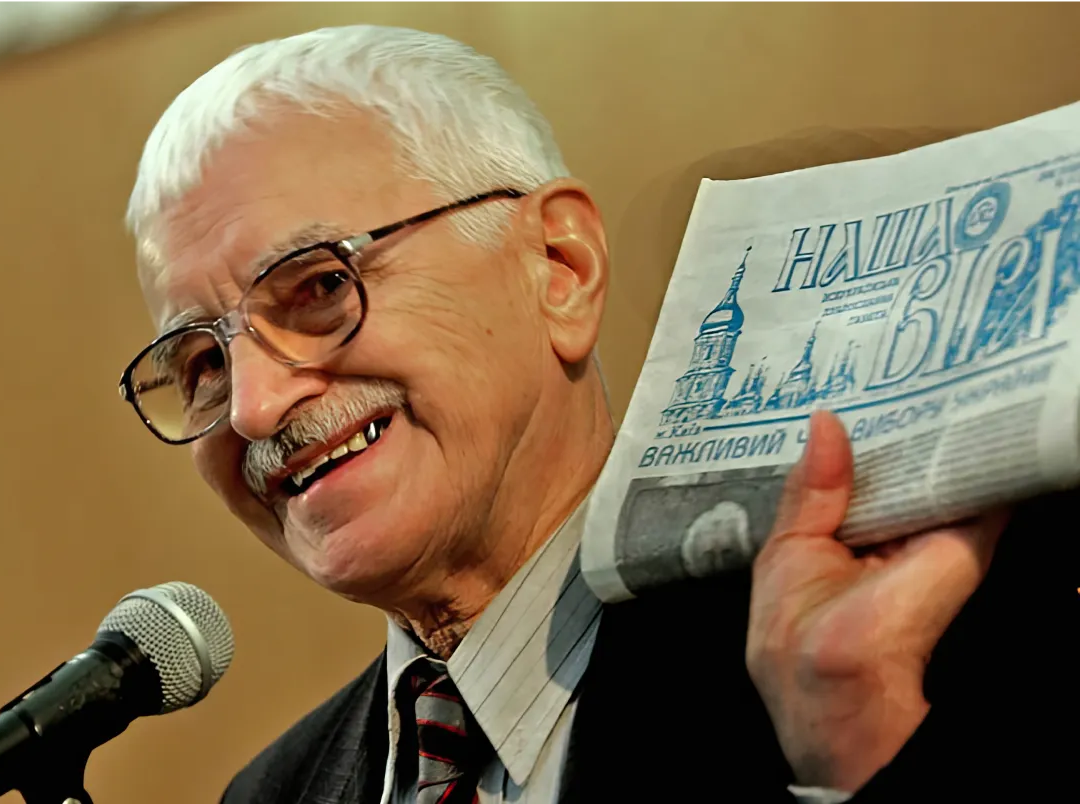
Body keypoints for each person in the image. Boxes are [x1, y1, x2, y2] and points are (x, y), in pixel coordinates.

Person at [117, 25, 1076, 802]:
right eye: (202, 362)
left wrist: (856, 748)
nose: (254, 406)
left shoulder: (890, 647)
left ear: (560, 269)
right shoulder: (272, 794)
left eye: (321, 286)